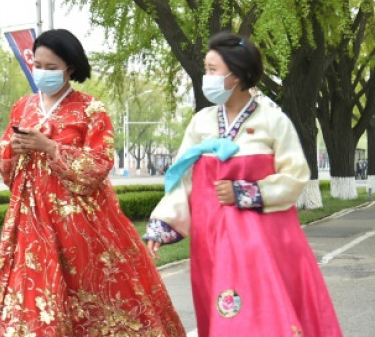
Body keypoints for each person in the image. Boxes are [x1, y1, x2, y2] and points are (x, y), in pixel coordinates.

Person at [0, 29, 184, 336]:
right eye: (38, 65)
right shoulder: (23, 106)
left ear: (70, 69)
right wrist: (14, 149)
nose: (42, 72)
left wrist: (49, 148)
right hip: (30, 221)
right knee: (30, 296)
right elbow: (6, 167)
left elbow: (99, 165)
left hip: (81, 225)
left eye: (51, 67)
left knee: (92, 292)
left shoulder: (91, 109)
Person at [144, 31, 342, 337]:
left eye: (212, 70)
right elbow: (184, 177)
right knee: (219, 309)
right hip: (210, 238)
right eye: (205, 69)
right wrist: (163, 224)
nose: (205, 77)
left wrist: (246, 192)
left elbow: (295, 176)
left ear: (235, 75)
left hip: (264, 238)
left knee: (262, 314)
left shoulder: (273, 121)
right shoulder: (201, 122)